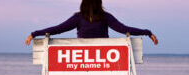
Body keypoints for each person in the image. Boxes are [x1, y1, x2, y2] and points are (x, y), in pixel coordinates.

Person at [25, 0, 158, 45]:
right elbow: (124, 29)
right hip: (103, 58)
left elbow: (58, 29)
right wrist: (147, 32)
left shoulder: (78, 17)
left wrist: (35, 34)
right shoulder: (105, 16)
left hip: (83, 58)